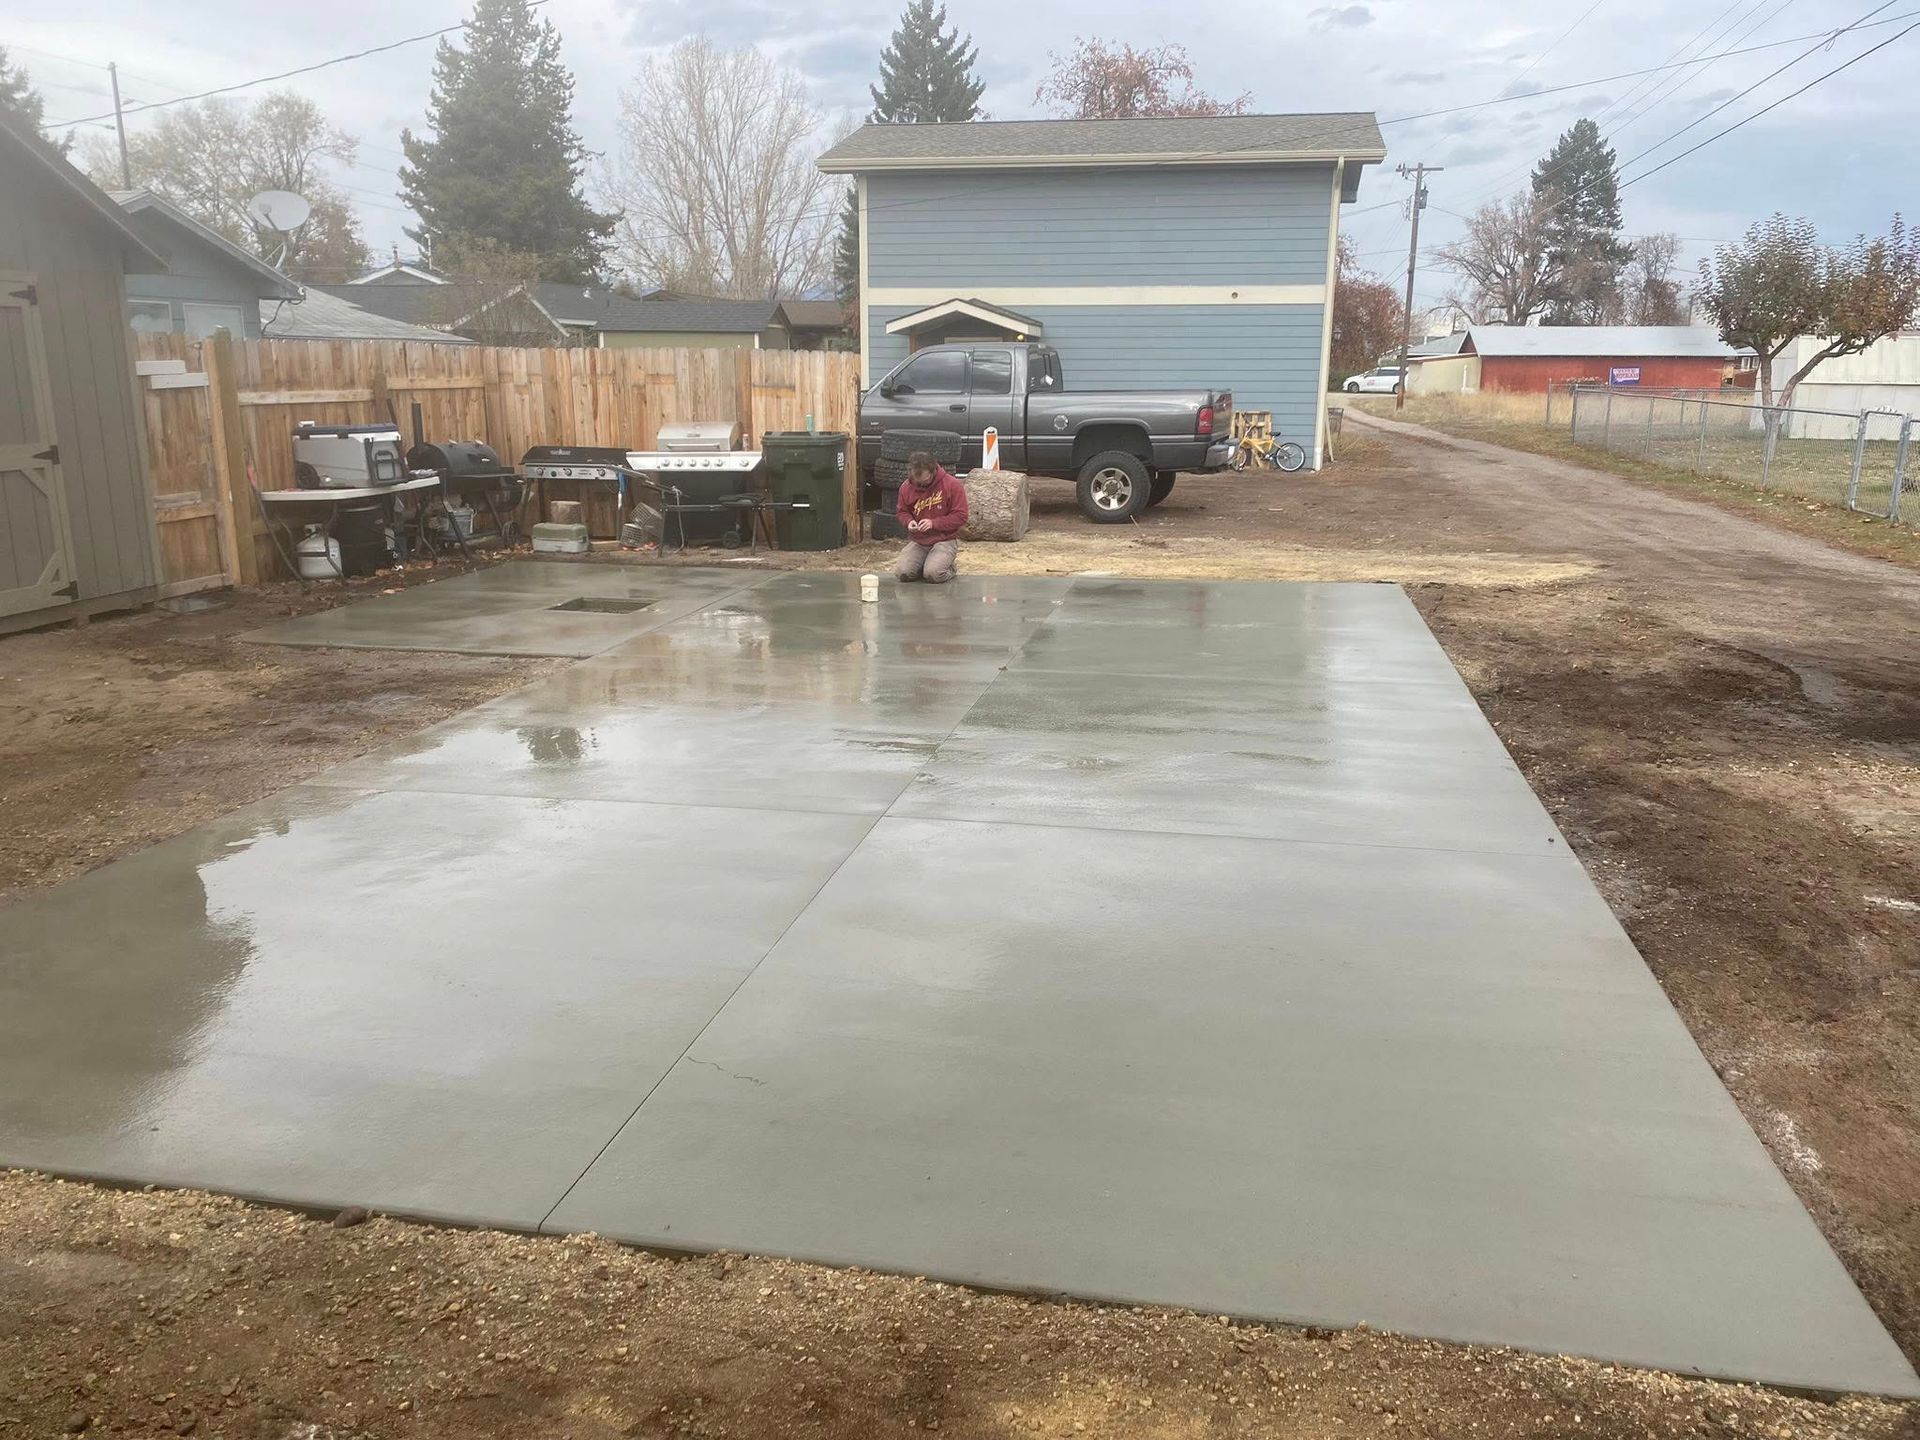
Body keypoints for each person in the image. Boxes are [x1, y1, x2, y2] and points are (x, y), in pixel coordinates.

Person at [894, 451, 968, 584]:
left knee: (934, 575)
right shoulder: (906, 487)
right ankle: (924, 565)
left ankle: (950, 568)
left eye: (925, 480)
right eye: (917, 482)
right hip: (919, 540)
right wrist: (909, 522)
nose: (921, 484)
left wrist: (934, 523)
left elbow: (961, 516)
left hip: (945, 539)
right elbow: (902, 511)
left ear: (934, 471)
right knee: (902, 573)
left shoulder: (952, 485)